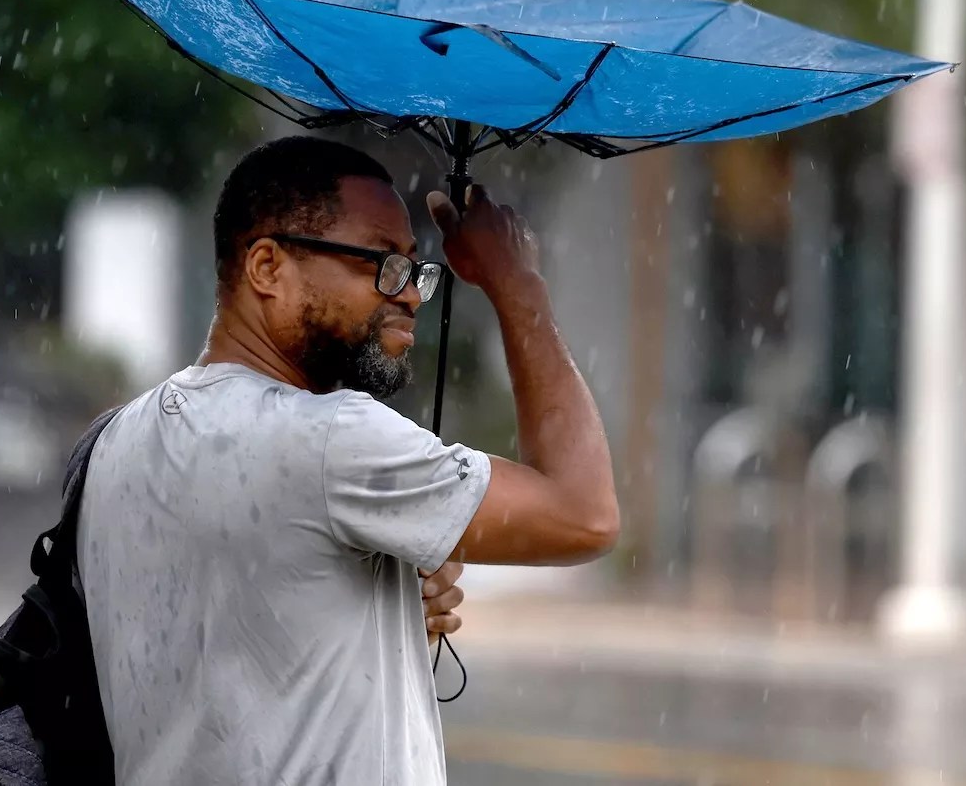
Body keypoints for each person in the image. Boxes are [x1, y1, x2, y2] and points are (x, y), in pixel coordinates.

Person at [76, 135, 618, 785]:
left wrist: (380, 610)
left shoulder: (113, 443)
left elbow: (227, 643)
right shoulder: (330, 437)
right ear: (268, 269)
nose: (412, 295)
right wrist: (518, 288)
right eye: (381, 263)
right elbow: (585, 515)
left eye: (415, 268)